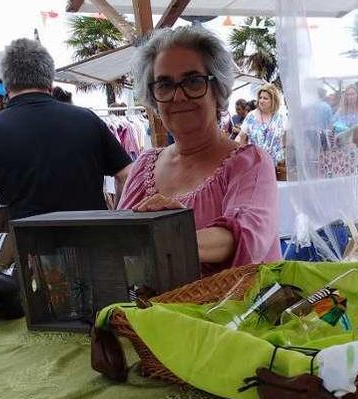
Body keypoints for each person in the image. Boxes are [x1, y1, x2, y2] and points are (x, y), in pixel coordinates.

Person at [118, 26, 281, 275]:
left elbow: (244, 239)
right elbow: (118, 243)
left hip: (229, 312)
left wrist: (173, 235)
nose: (178, 96)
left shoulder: (251, 163)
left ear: (217, 89)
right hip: (150, 313)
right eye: (164, 85)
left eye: (193, 81)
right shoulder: (144, 165)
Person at [0, 38, 132, 219]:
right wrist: (115, 215)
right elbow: (127, 175)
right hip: (93, 238)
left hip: (26, 242)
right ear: (50, 80)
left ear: (6, 84)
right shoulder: (88, 120)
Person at [237, 84, 288, 164]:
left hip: (274, 164)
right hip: (254, 163)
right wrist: (243, 156)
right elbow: (241, 137)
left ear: (273, 100)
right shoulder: (251, 116)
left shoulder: (281, 118)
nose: (261, 101)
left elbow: (286, 140)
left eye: (265, 98)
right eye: (260, 97)